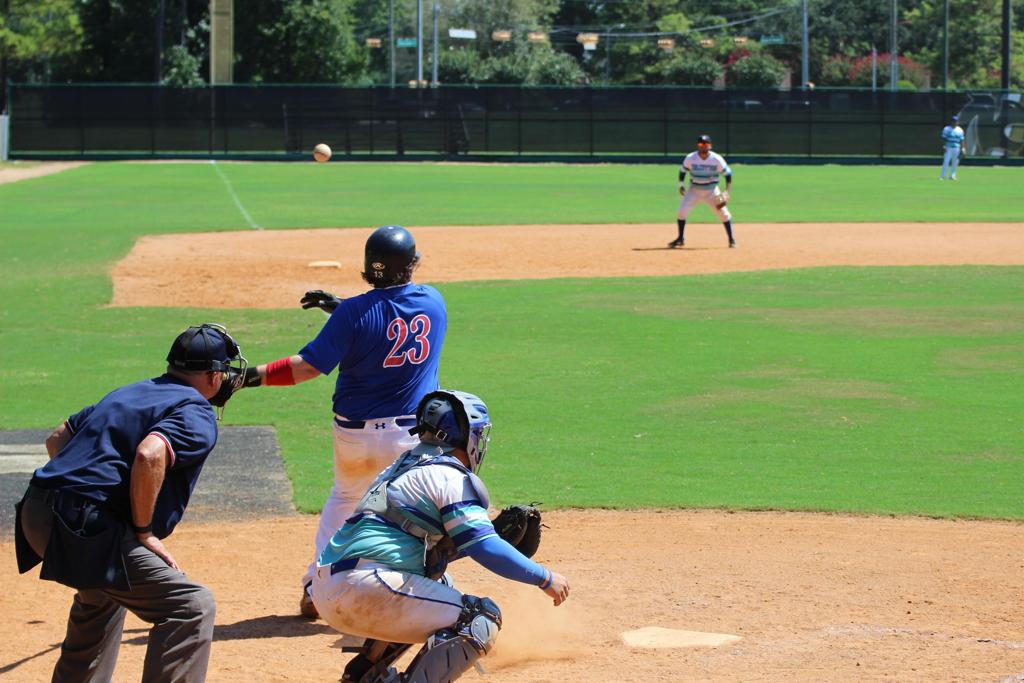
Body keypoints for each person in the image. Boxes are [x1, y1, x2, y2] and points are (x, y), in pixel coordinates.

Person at [14, 323, 247, 682]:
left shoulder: (132, 391)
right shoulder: (196, 410)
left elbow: (57, 438)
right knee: (190, 606)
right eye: (226, 370)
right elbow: (149, 455)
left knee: (103, 593)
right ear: (214, 376)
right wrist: (143, 530)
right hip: (85, 525)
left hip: (36, 511)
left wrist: (78, 493)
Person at [239, 225, 447, 619]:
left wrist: (247, 377)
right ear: (413, 264)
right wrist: (344, 310)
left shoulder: (353, 315)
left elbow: (304, 369)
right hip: (408, 438)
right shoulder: (434, 302)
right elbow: (392, 319)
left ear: (369, 267)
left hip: (354, 437)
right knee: (414, 515)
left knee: (344, 501)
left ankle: (314, 587)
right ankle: (415, 593)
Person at [310, 389, 570, 683]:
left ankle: (364, 672)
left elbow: (423, 547)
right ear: (465, 436)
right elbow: (485, 547)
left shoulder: (398, 467)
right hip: (366, 586)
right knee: (478, 619)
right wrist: (544, 578)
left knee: (435, 580)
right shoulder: (449, 476)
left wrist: (485, 537)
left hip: (329, 589)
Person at [668, 134, 736, 249]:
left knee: (724, 214)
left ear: (710, 145)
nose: (703, 146)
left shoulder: (716, 159)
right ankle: (680, 239)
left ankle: (731, 239)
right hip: (693, 190)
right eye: (700, 144)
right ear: (697, 145)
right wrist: (681, 185)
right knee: (681, 213)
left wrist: (726, 191)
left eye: (705, 144)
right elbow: (682, 171)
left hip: (712, 191)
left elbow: (728, 174)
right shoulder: (691, 157)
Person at [940, 114, 966, 180]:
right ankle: (943, 176)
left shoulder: (960, 130)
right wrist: (944, 145)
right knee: (946, 161)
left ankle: (952, 176)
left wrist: (962, 148)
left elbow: (962, 140)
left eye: (956, 121)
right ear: (951, 122)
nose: (955, 122)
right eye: (954, 121)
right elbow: (943, 138)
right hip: (948, 147)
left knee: (955, 162)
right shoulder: (946, 129)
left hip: (956, 148)